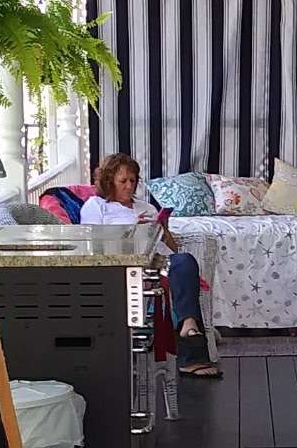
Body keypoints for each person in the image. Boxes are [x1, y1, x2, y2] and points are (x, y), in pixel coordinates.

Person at [81, 153, 220, 380]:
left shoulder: (146, 207)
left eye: (133, 180)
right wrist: (131, 233)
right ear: (108, 181)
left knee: (185, 260)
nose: (129, 186)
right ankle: (191, 353)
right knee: (178, 275)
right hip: (122, 267)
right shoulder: (95, 207)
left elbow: (173, 248)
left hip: (158, 263)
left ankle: (188, 324)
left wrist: (162, 231)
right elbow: (93, 246)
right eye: (123, 181)